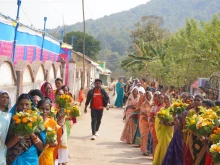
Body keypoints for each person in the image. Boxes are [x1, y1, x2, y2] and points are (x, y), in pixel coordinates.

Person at [6, 94, 44, 165]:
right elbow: (8, 145)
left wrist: (32, 134)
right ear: (17, 106)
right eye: (21, 104)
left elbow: (41, 147)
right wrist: (17, 136)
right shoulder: (12, 122)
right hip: (15, 158)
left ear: (31, 106)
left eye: (27, 104)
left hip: (31, 158)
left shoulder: (37, 122)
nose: (24, 107)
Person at [184, 95, 207, 165]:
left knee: (201, 158)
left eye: (198, 100)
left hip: (202, 139)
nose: (196, 102)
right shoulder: (191, 112)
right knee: (190, 156)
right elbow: (187, 124)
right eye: (195, 100)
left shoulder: (205, 112)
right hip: (192, 137)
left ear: (202, 102)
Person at [38, 99, 62, 165]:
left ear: (50, 110)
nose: (44, 111)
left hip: (47, 154)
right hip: (35, 154)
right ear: (37, 109)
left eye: (47, 109)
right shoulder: (34, 122)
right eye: (42, 108)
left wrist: (53, 142)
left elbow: (56, 140)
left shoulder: (53, 123)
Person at [153, 95, 174, 165]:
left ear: (170, 100)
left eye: (167, 99)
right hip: (162, 131)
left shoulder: (173, 109)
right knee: (161, 147)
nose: (166, 100)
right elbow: (157, 119)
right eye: (165, 99)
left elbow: (176, 119)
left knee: (168, 146)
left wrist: (170, 123)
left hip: (170, 131)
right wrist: (161, 122)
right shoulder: (162, 109)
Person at [139, 91, 153, 155]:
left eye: (150, 96)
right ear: (145, 96)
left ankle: (149, 150)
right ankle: (144, 150)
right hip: (144, 121)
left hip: (151, 121)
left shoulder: (153, 103)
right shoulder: (143, 104)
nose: (149, 97)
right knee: (145, 135)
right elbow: (142, 113)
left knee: (150, 136)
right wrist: (147, 118)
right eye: (147, 96)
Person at [0, 91, 11, 165]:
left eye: (7, 97)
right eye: (3, 97)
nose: (5, 99)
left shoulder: (9, 114)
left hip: (4, 145)